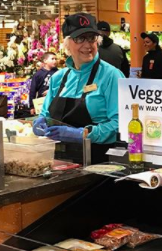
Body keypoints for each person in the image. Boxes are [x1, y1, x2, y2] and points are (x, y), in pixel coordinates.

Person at [33, 13, 123, 163]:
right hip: (60, 162)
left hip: (99, 164)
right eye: (80, 38)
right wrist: (40, 122)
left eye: (91, 38)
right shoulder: (58, 78)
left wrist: (84, 134)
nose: (87, 45)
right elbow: (46, 113)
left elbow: (120, 124)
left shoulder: (111, 76)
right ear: (67, 44)